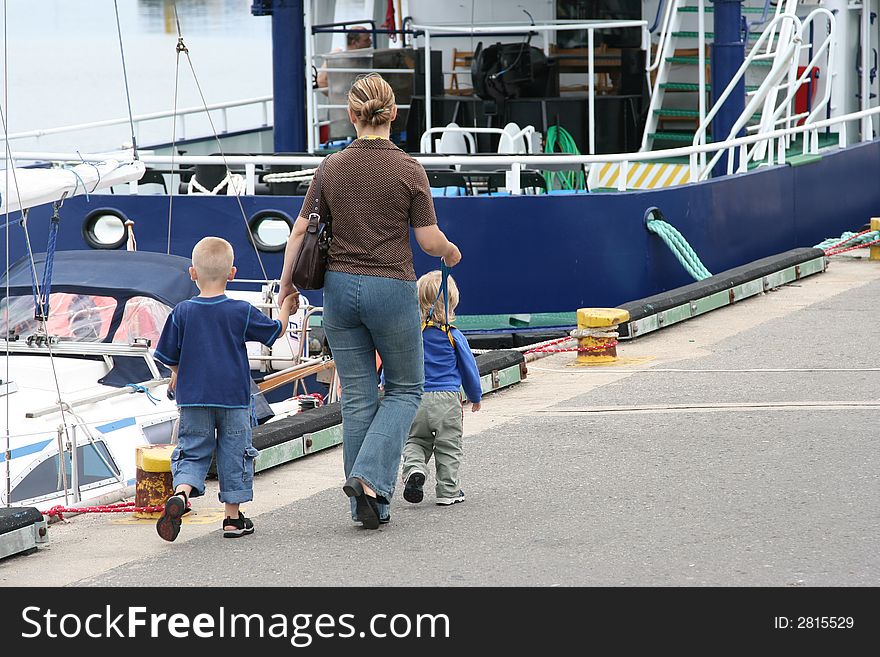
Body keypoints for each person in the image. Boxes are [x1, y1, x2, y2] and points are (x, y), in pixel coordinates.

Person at [278, 73, 461, 530]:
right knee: (404, 389)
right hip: (391, 288)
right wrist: (450, 252)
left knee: (358, 396)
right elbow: (427, 239)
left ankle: (369, 505)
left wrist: (287, 288)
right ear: (393, 114)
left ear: (351, 114)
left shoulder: (331, 167)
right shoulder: (408, 169)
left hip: (338, 290)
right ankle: (368, 479)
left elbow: (300, 232)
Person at [153, 236, 298, 542]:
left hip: (193, 400)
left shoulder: (182, 312)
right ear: (232, 273)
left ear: (193, 273)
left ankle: (181, 494)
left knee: (192, 452)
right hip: (233, 400)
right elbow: (276, 331)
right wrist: (285, 306)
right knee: (235, 455)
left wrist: (176, 376)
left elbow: (169, 356)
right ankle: (232, 519)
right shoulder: (240, 311)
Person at [401, 270, 481, 506]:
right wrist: (475, 395)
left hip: (416, 398)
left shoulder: (412, 335)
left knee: (415, 440)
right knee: (448, 446)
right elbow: (468, 368)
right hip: (447, 401)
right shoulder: (454, 336)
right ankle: (448, 491)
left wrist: (385, 381)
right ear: (451, 304)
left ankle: (415, 469)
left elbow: (397, 359)